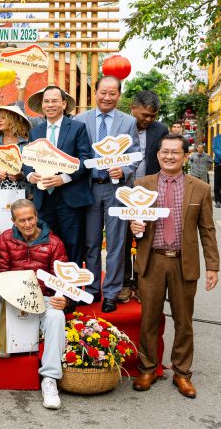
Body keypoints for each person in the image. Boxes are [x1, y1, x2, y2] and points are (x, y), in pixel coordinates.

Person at [130, 134, 220, 399]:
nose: (169, 156)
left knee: (184, 320)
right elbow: (129, 222)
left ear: (185, 156)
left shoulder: (199, 188)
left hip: (184, 261)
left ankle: (182, 373)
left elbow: (207, 230)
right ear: (158, 154)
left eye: (175, 152)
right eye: (165, 151)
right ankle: (147, 368)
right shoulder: (141, 185)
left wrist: (213, 266)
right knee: (148, 319)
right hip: (152, 260)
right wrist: (134, 227)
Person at [0, 199, 68, 410]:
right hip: (13, 296)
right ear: (13, 221)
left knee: (57, 316)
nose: (27, 224)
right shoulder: (5, 239)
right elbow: (1, 274)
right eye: (22, 220)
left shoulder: (54, 242)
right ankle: (4, 338)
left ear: (36, 216)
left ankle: (49, 378)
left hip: (44, 298)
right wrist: (16, 295)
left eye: (30, 218)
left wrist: (63, 299)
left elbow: (63, 280)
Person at [74, 76, 141, 313]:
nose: (107, 97)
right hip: (89, 188)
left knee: (116, 243)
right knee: (91, 242)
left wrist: (124, 170)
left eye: (112, 93)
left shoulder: (128, 122)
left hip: (116, 190)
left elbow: (135, 154)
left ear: (119, 95)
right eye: (103, 92)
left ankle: (111, 292)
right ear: (95, 93)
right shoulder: (80, 120)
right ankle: (93, 289)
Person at [24, 86, 93, 266]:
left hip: (70, 197)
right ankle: (49, 282)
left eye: (55, 101)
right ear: (42, 105)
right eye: (46, 101)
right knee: (45, 245)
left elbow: (85, 159)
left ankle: (71, 283)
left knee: (72, 245)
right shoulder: (35, 131)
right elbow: (28, 158)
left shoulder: (77, 128)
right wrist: (30, 174)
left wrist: (63, 178)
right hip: (43, 197)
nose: (50, 105)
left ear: (63, 104)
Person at [122, 90, 169, 303]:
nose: (148, 119)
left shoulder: (161, 130)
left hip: (149, 195)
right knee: (123, 239)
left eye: (153, 115)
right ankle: (124, 283)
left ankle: (142, 283)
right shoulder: (122, 127)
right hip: (123, 193)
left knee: (146, 240)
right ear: (133, 109)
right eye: (144, 115)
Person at [0, 104, 31, 198]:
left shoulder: (27, 143)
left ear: (14, 120)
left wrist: (21, 175)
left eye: (3, 118)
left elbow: (34, 168)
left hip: (23, 193)